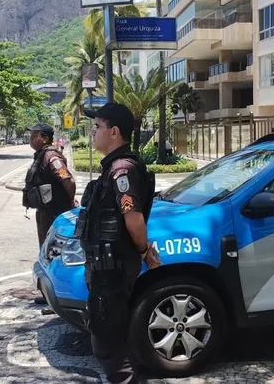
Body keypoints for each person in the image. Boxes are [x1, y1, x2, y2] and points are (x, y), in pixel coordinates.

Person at [80, 102, 162, 384]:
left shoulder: (122, 169)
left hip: (112, 269)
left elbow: (134, 219)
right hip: (107, 266)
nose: (93, 132)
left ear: (114, 131)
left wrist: (143, 250)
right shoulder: (115, 166)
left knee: (107, 342)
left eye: (97, 126)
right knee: (112, 335)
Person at [23, 123, 77, 305]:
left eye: (34, 135)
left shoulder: (51, 156)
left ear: (44, 138)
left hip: (55, 213)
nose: (31, 138)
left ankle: (60, 295)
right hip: (46, 213)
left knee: (55, 254)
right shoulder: (42, 156)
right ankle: (48, 293)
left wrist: (69, 203)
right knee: (46, 253)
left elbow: (67, 180)